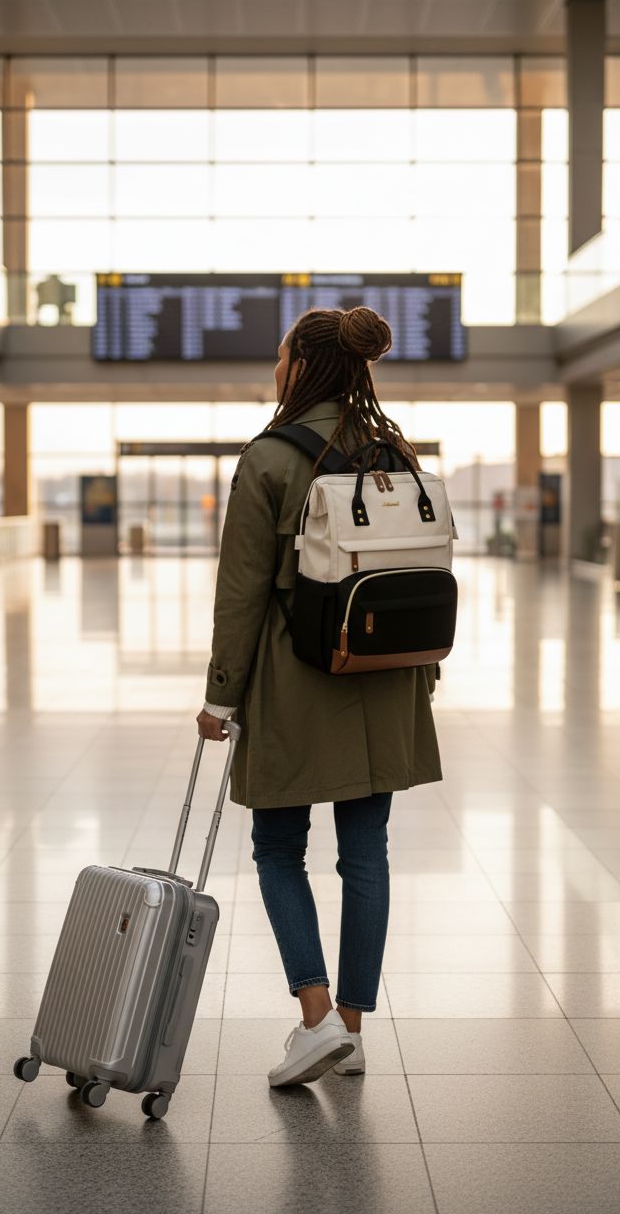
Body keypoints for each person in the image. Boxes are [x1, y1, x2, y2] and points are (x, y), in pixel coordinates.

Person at [196, 305, 442, 1088]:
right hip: (385, 676)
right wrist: (420, 678)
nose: (277, 368)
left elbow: (241, 593)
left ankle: (314, 1019)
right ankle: (353, 1029)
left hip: (296, 680)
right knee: (367, 853)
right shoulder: (392, 451)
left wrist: (221, 698)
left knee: (279, 849)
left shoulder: (269, 457)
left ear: (301, 367)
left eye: (281, 357)